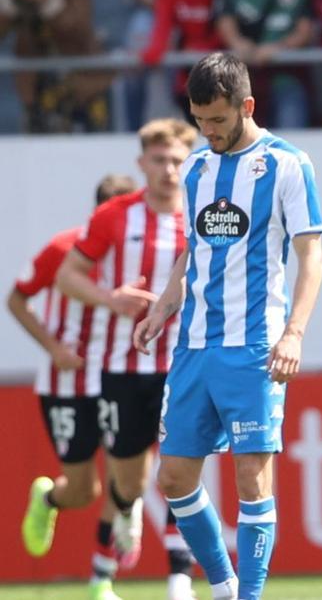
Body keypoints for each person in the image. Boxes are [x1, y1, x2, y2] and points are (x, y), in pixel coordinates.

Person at [133, 53, 322, 600]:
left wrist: (294, 332)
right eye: (199, 120)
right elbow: (193, 250)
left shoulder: (288, 164)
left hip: (255, 348)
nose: (208, 131)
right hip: (194, 347)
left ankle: (249, 596)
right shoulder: (196, 168)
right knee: (172, 480)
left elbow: (312, 256)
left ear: (246, 106)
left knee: (251, 480)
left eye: (217, 120)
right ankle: (222, 584)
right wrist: (163, 307)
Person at [54, 119, 201, 600]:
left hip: (183, 364)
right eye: (159, 160)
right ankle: (111, 549)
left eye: (178, 160)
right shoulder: (115, 215)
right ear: (142, 164)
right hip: (121, 365)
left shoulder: (204, 216)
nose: (169, 170)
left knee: (181, 467)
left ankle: (179, 575)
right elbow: (68, 276)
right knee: (130, 481)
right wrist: (107, 296)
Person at [12, 174, 138, 600]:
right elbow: (16, 298)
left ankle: (101, 579)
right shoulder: (64, 248)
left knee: (126, 476)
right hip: (66, 383)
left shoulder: (140, 256)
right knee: (85, 490)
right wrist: (53, 347)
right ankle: (50, 499)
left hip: (118, 378)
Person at [0, 0, 112, 133]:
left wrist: (49, 2)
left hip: (86, 82)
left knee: (96, 148)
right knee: (40, 153)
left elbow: (78, 32)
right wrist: (9, 1)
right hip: (38, 86)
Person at [215, 0, 314, 128]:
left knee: (291, 143)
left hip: (287, 78)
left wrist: (278, 49)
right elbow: (225, 17)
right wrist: (238, 43)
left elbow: (305, 28)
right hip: (242, 80)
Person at [140, 0, 227, 114]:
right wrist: (155, 51)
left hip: (224, 68)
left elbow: (230, 25)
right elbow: (162, 24)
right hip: (186, 72)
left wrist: (205, 48)